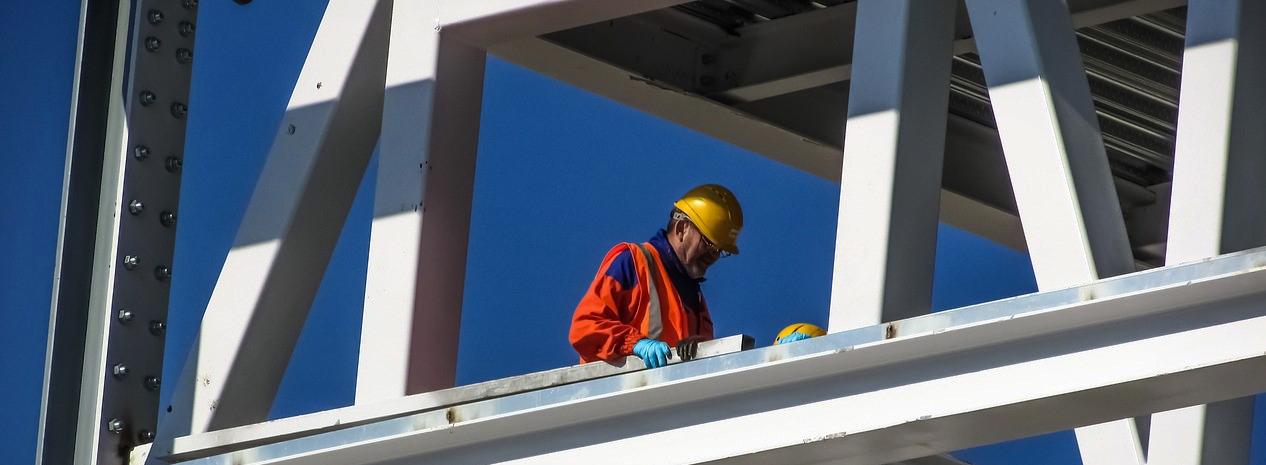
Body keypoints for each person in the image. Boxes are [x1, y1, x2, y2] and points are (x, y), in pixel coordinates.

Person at [570, 184, 743, 368]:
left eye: (721, 250)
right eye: (709, 243)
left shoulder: (695, 297)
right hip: (620, 392)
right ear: (682, 229)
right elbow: (585, 327)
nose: (714, 255)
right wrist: (635, 344)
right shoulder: (632, 263)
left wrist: (700, 349)